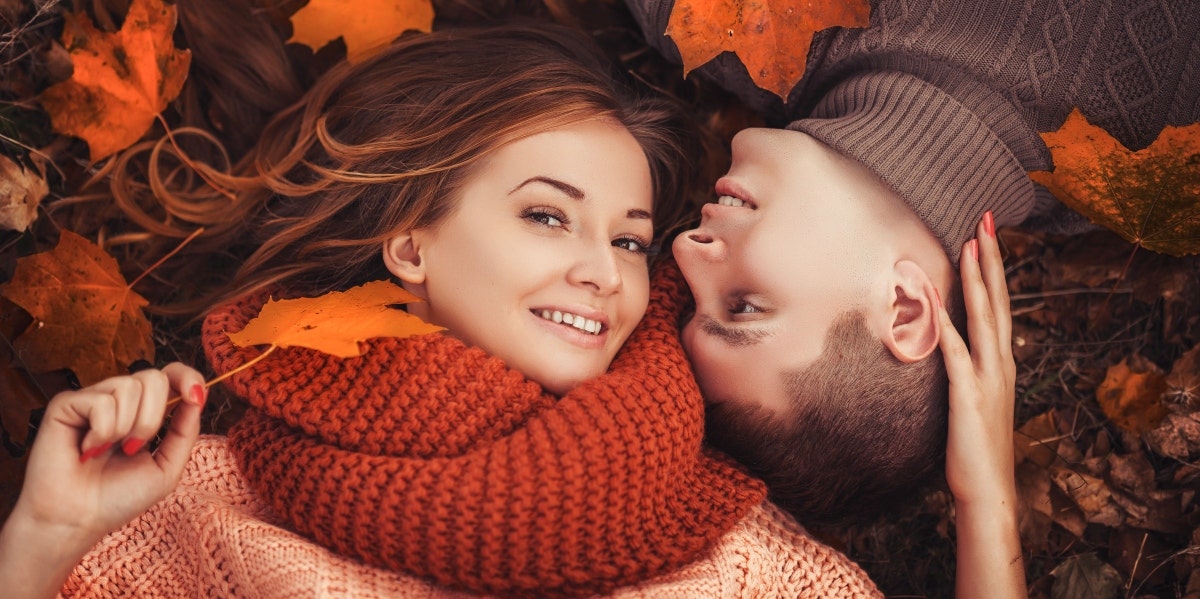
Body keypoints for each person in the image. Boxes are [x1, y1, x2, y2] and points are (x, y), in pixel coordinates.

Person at [0, 20, 892, 599]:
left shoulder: (734, 556)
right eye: (547, 216)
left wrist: (986, 514)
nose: (604, 273)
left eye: (628, 239)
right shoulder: (202, 507)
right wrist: (44, 538)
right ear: (412, 245)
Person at [624, 0, 1200, 533]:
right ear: (904, 309)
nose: (684, 250)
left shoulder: (719, 19)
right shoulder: (1163, 150)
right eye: (742, 306)